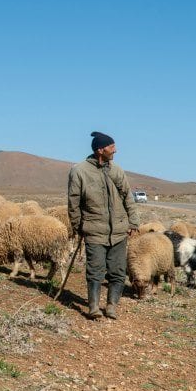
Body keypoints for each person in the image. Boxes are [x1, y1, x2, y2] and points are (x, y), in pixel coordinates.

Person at [67, 131, 139, 320]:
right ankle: (93, 306)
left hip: (118, 231)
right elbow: (73, 202)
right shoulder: (79, 171)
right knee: (95, 270)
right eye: (112, 147)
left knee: (118, 271)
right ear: (101, 150)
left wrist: (133, 221)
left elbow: (128, 197)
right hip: (94, 231)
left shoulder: (117, 170)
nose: (115, 150)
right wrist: (78, 227)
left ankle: (112, 305)